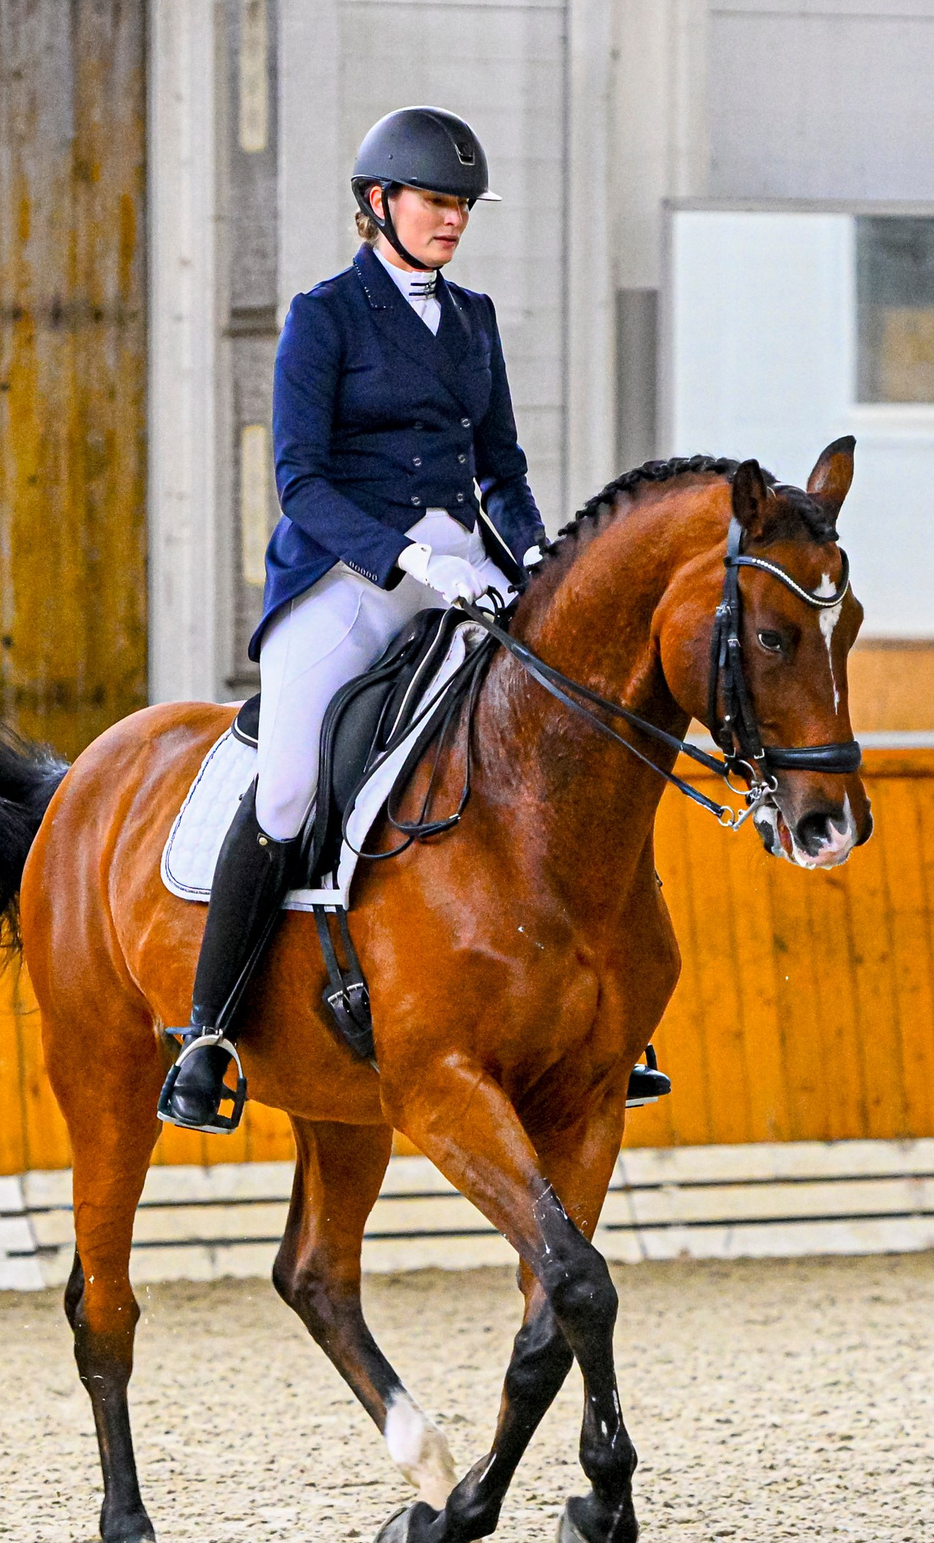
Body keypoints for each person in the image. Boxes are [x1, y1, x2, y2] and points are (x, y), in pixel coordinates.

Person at [159, 105, 670, 1132]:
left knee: (554, 734)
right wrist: (403, 555)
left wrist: (532, 557)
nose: (452, 222)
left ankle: (591, 1005)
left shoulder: (472, 319)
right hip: (347, 575)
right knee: (292, 780)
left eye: (462, 207)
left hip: (468, 563)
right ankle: (207, 1033)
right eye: (436, 202)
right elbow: (299, 476)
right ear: (377, 204)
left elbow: (504, 466)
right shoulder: (324, 315)